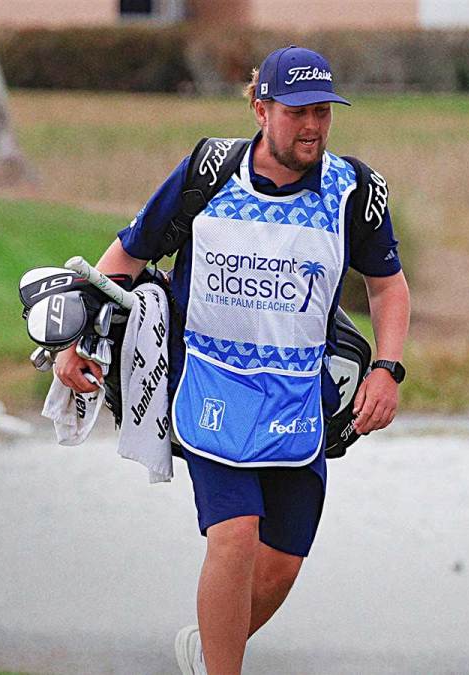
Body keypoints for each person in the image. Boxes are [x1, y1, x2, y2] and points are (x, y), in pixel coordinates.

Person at [53, 46, 411, 675]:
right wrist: (75, 341)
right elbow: (124, 258)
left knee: (281, 566)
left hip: (301, 401)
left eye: (324, 111)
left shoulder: (355, 188)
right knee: (235, 533)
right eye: (298, 111)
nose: (314, 127)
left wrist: (388, 368)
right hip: (210, 388)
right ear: (260, 107)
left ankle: (210, 647)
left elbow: (387, 285)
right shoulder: (207, 172)